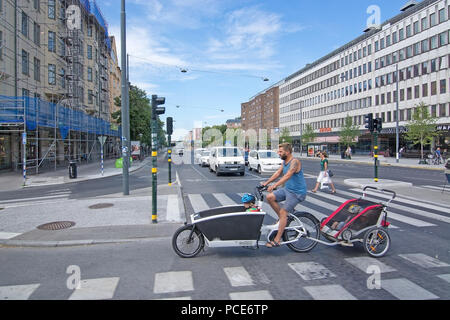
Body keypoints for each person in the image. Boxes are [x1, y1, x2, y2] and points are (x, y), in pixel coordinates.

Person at [261, 143, 307, 248]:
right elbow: (278, 173)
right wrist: (266, 183)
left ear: (287, 152)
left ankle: (277, 240)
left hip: (297, 193)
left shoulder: (295, 162)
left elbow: (288, 175)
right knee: (270, 197)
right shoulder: (284, 162)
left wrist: (274, 185)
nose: (279, 153)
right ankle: (283, 219)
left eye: (281, 151)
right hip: (287, 189)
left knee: (283, 212)